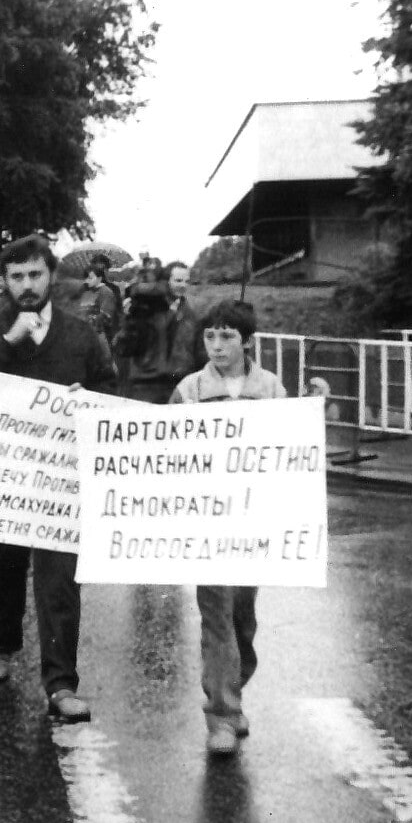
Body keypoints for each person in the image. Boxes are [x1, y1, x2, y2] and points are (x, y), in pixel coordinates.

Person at [0, 234, 117, 722]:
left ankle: (61, 682)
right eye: (17, 276)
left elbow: (108, 384)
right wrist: (7, 343)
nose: (26, 285)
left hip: (61, 471)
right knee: (3, 562)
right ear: (4, 280)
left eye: (35, 275)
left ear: (50, 276)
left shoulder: (79, 333)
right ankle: (3, 643)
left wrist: (88, 398)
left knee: (59, 573)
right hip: (2, 468)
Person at [171, 299, 284, 756]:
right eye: (209, 336)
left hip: (251, 519)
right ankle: (220, 713)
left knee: (242, 617)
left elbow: (291, 444)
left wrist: (315, 402)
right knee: (216, 616)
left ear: (247, 341)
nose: (216, 346)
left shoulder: (269, 388)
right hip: (208, 521)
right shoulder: (191, 389)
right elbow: (164, 450)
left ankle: (233, 692)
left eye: (227, 336)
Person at [115, 256, 203, 405]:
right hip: (146, 385)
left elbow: (198, 350)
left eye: (186, 281)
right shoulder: (146, 309)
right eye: (178, 281)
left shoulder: (192, 313)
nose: (183, 285)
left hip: (181, 384)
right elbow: (123, 348)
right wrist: (131, 319)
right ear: (166, 282)